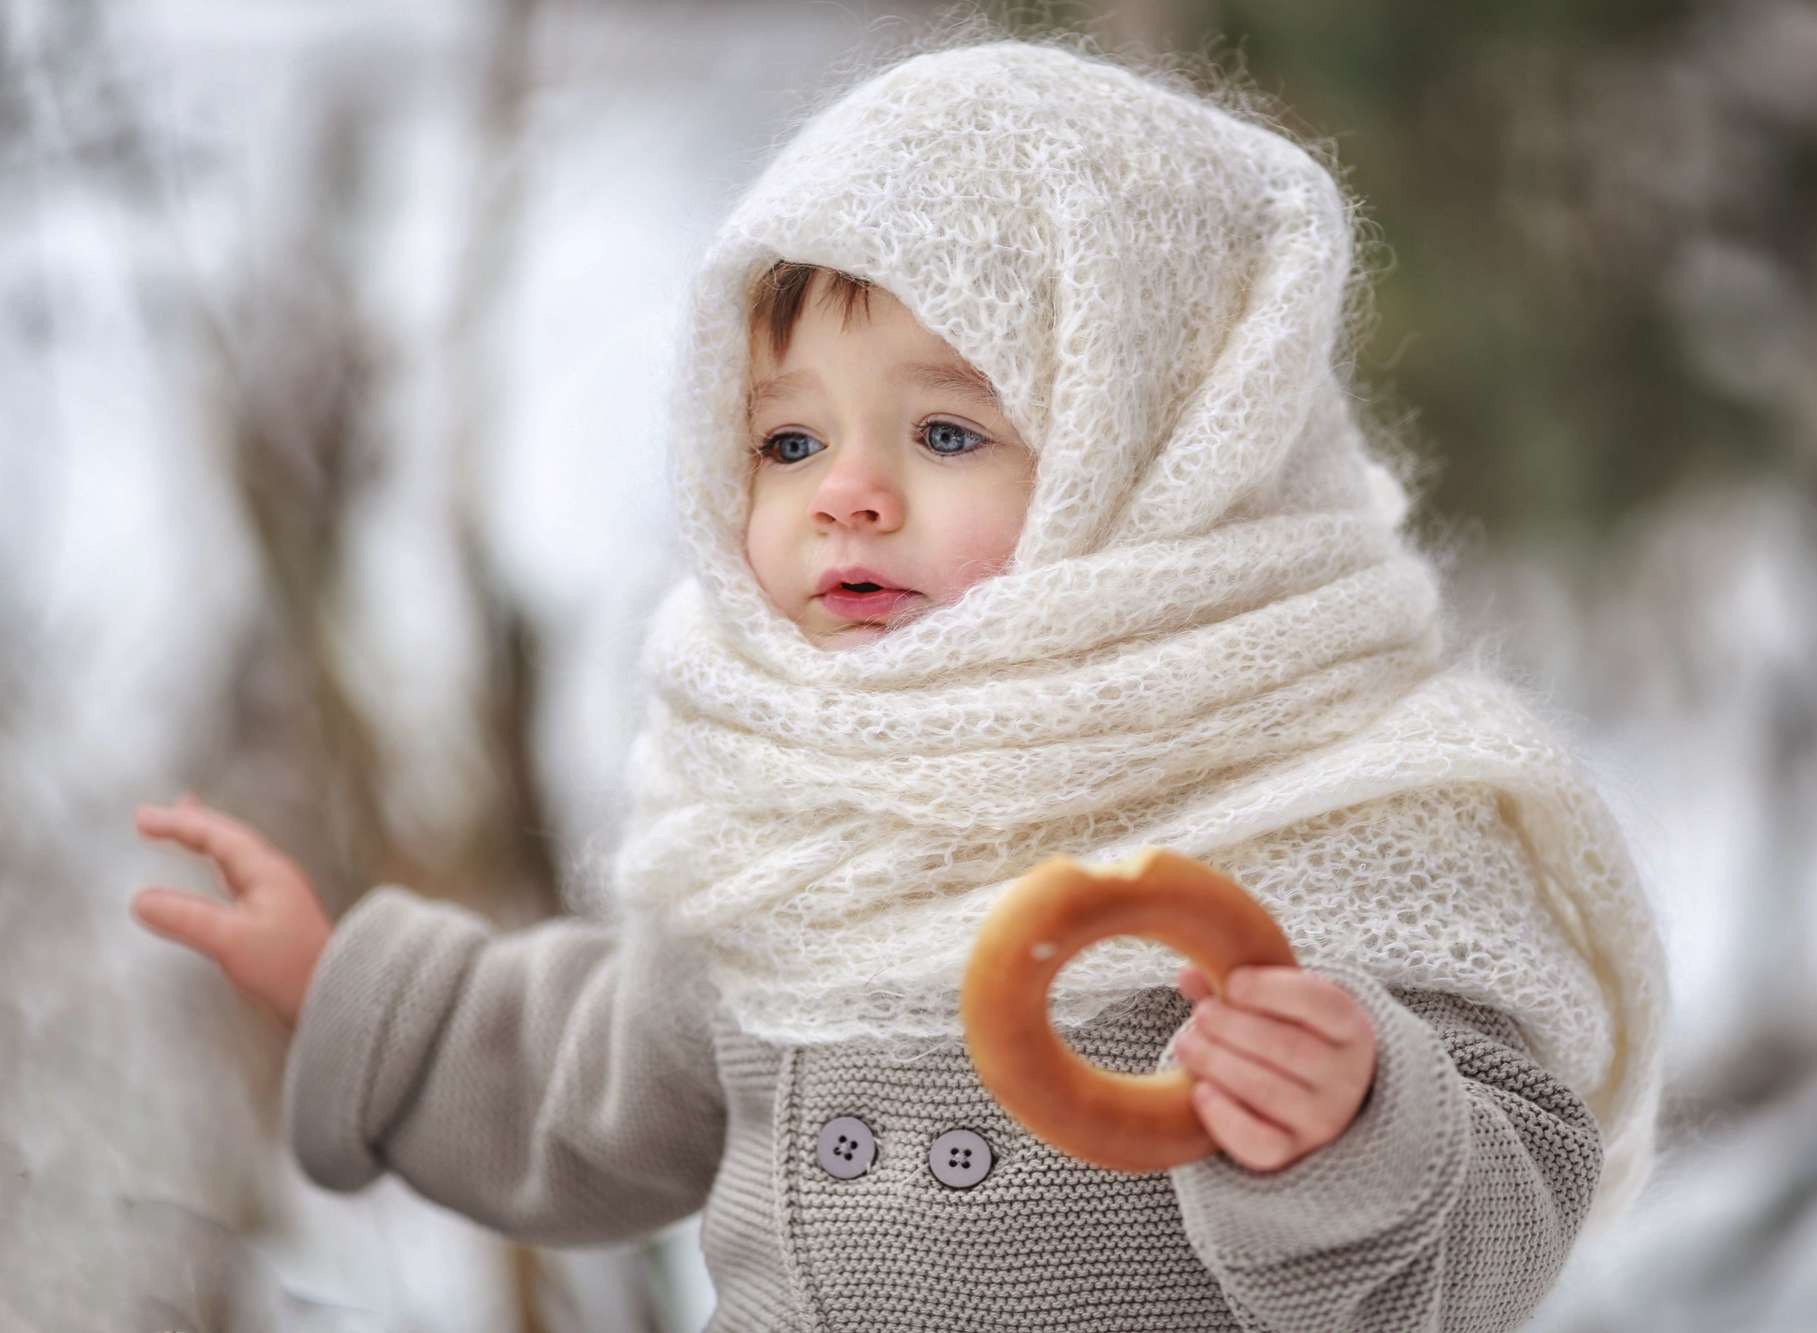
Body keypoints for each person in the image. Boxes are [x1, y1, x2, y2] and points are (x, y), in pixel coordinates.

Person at [131, 33, 1669, 1331]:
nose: (845, 496)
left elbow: (1506, 1206)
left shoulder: (1335, 787)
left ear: (1164, 453)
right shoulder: (793, 805)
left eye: (944, 434)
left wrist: (1357, 1126)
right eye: (790, 439)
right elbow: (602, 1074)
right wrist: (352, 991)